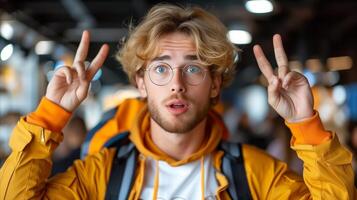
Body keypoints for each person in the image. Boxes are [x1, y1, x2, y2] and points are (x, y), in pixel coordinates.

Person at [0, 4, 355, 199]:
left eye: (194, 69)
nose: (177, 85)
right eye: (161, 69)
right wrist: (49, 116)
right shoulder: (100, 174)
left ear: (216, 83)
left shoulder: (256, 175)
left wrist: (307, 126)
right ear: (140, 82)